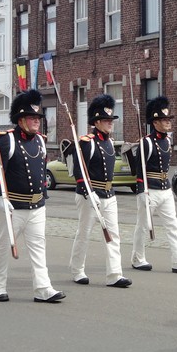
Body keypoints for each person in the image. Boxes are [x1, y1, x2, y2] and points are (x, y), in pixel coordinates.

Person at [0, 89, 66, 303]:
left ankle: (43, 288)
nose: (37, 122)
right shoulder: (7, 141)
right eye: (32, 118)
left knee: (39, 247)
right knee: (4, 245)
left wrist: (42, 195)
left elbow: (40, 170)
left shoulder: (40, 141)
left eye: (38, 118)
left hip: (37, 206)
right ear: (21, 119)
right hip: (12, 205)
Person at [69, 94, 131, 288]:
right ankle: (77, 269)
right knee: (84, 232)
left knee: (113, 234)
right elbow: (79, 170)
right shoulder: (87, 142)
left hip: (109, 194)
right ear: (96, 122)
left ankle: (114, 274)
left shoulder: (110, 142)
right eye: (106, 120)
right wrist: (89, 192)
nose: (110, 123)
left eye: (111, 120)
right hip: (90, 195)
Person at [129, 96, 177, 274]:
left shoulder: (167, 141)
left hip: (165, 189)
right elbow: (138, 169)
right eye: (164, 120)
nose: (168, 123)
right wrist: (142, 191)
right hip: (149, 190)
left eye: (168, 119)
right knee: (143, 225)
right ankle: (138, 257)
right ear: (155, 122)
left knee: (172, 225)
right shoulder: (147, 142)